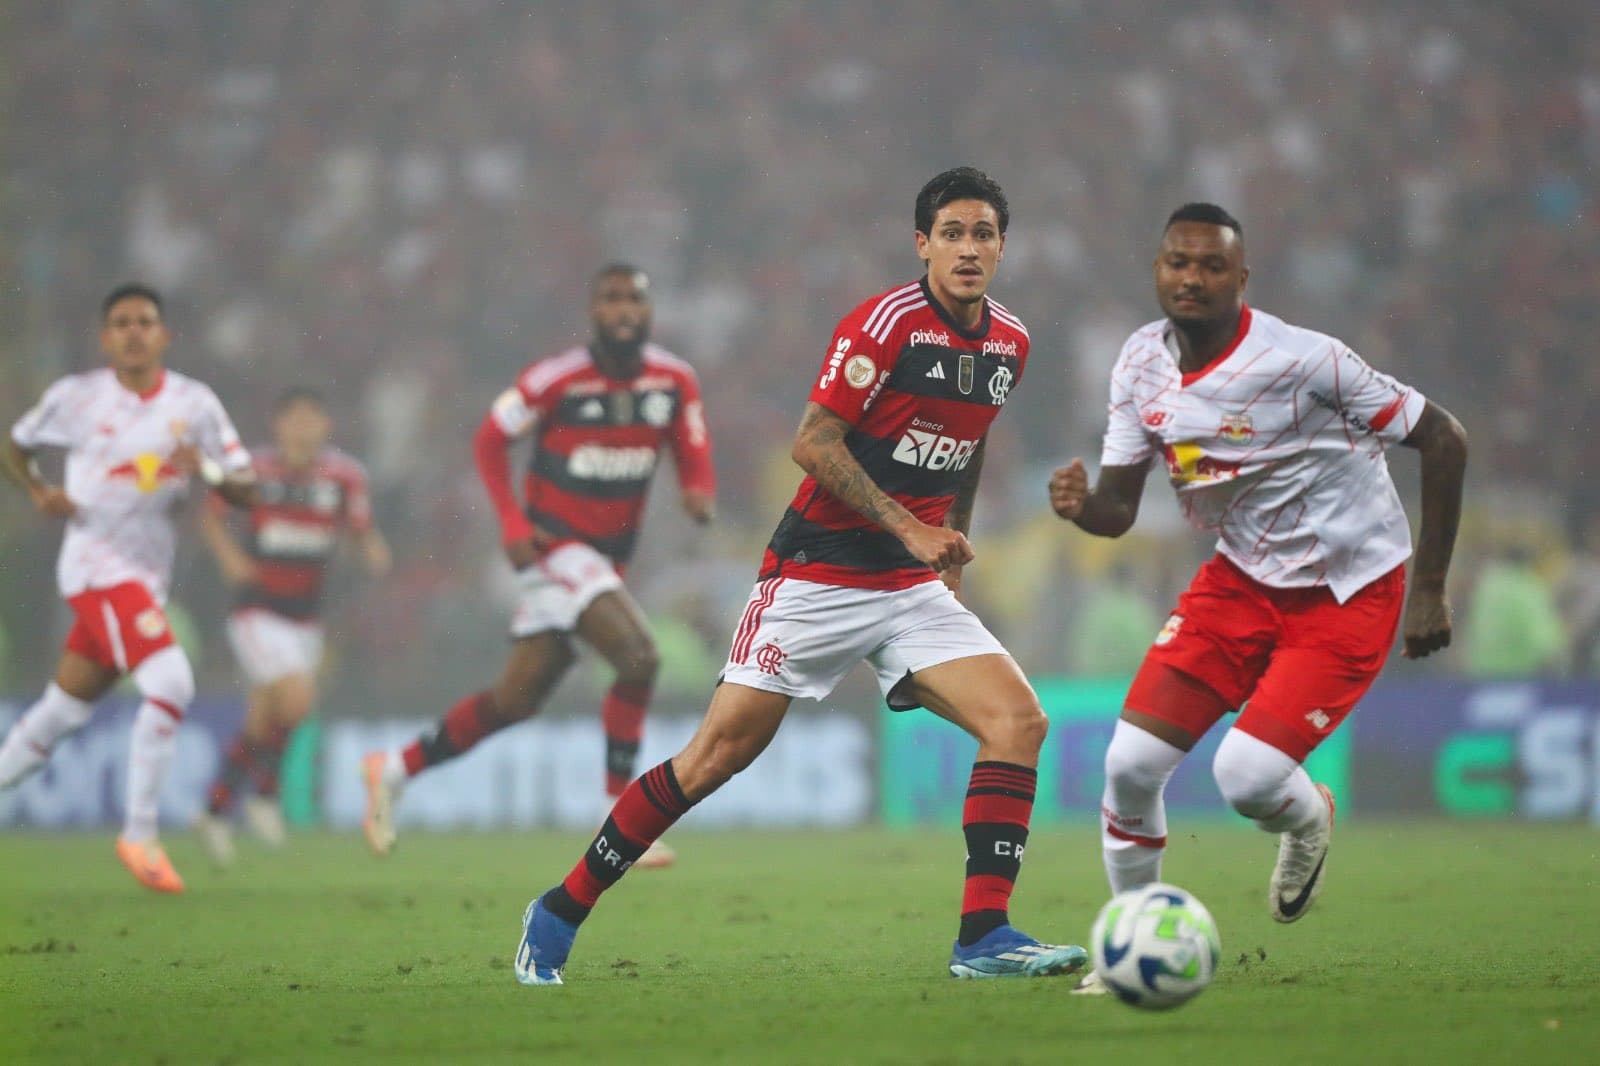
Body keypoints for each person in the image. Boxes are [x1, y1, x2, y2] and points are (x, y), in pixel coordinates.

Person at [513, 167, 1088, 986]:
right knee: (713, 759)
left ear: (1002, 246)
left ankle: (983, 936)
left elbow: (973, 434)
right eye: (952, 233)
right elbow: (813, 443)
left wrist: (949, 536)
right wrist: (910, 526)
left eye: (983, 234)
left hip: (910, 587)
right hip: (814, 575)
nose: (968, 249)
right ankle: (559, 910)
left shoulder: (1010, 344)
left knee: (1019, 723)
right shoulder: (885, 324)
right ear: (922, 244)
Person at [1048, 204, 1467, 992]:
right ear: (1158, 270)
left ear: (1241, 279)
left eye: (1212, 267)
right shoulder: (1138, 362)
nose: (1192, 278)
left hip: (1349, 588)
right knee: (1130, 765)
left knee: (1245, 778)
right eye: (1178, 263)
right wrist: (1081, 508)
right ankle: (1130, 946)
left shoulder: (1307, 361)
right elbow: (1118, 510)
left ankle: (1308, 819)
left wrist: (1432, 590)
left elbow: (1444, 438)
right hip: (1240, 579)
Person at [360, 264, 716, 865]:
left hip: (606, 561)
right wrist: (512, 522)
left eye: (634, 298)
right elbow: (490, 440)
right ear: (593, 311)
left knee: (516, 700)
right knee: (638, 656)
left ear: (649, 312)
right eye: (611, 298)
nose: (623, 308)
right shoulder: (557, 379)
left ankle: (394, 768)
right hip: (555, 549)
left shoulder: (674, 379)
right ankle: (622, 814)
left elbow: (690, 438)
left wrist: (696, 487)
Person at [0, 283, 257, 893]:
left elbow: (246, 486)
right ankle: (139, 833)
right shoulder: (77, 398)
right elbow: (14, 444)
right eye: (121, 323)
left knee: (59, 715)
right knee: (172, 681)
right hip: (95, 567)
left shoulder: (195, 404)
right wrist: (37, 490)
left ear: (163, 335)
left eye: (145, 321)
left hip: (146, 579)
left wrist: (210, 471)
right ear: (105, 337)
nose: (133, 331)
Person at [193, 387, 390, 863]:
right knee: (298, 698)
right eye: (294, 418)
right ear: (277, 425)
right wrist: (231, 558)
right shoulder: (252, 471)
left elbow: (360, 528)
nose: (303, 427)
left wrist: (372, 551)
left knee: (265, 718)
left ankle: (216, 810)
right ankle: (264, 793)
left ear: (326, 425)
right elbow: (212, 517)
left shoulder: (345, 476)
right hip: (257, 609)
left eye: (312, 418)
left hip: (308, 614)